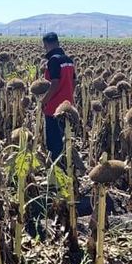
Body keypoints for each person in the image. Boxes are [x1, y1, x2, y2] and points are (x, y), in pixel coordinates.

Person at [41, 32, 75, 165]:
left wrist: (44, 100)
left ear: (48, 44)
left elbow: (54, 83)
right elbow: (74, 82)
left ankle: (56, 168)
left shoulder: (53, 60)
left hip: (53, 108)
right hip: (67, 106)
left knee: (53, 141)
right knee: (64, 137)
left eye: (44, 46)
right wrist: (69, 97)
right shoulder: (68, 60)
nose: (44, 49)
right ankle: (66, 164)